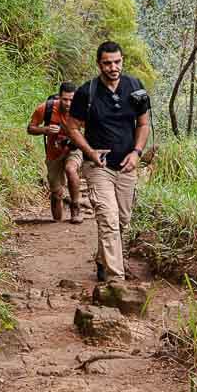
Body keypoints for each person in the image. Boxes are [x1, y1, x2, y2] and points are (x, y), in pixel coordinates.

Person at [64, 42, 151, 282]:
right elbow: (72, 127)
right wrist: (90, 153)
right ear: (98, 64)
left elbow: (143, 124)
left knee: (122, 220)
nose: (113, 67)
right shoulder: (87, 92)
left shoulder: (135, 87)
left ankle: (103, 260)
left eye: (117, 62)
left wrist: (136, 153)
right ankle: (116, 279)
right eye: (107, 63)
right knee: (109, 219)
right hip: (98, 167)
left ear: (122, 60)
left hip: (126, 165)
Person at [27, 81, 83, 223]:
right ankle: (57, 223)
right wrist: (45, 130)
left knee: (71, 169)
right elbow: (30, 128)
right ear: (59, 97)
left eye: (72, 100)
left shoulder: (81, 111)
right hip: (53, 153)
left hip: (73, 149)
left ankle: (76, 207)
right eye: (65, 99)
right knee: (56, 193)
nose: (68, 103)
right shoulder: (46, 108)